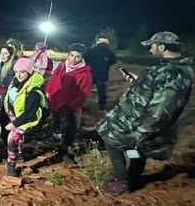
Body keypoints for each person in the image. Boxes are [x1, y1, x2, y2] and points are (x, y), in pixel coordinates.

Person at [97, 31, 193, 195]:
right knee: (137, 151)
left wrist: (141, 132)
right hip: (139, 120)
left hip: (142, 124)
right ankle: (133, 177)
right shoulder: (170, 68)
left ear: (161, 47)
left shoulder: (173, 72)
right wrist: (138, 81)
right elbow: (158, 90)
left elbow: (162, 108)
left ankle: (121, 180)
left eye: (152, 46)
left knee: (111, 139)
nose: (150, 50)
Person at [46, 43, 93, 164]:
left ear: (82, 58)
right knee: (56, 121)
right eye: (71, 55)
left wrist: (71, 106)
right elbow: (53, 80)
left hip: (72, 107)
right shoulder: (62, 66)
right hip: (56, 101)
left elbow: (84, 93)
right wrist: (49, 93)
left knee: (71, 128)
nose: (73, 59)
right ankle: (56, 138)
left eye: (77, 56)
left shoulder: (85, 73)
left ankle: (65, 151)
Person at [3, 58, 47, 177]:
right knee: (19, 137)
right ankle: (19, 155)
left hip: (24, 119)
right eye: (16, 72)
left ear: (29, 72)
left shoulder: (33, 91)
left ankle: (11, 163)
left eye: (22, 72)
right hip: (14, 115)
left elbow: (29, 113)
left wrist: (14, 124)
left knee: (12, 138)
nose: (18, 75)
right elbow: (9, 95)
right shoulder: (16, 81)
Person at [83, 36, 117, 111]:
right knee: (102, 93)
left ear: (98, 42)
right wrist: (106, 66)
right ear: (106, 42)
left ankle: (79, 106)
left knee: (84, 91)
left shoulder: (90, 51)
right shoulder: (109, 52)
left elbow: (84, 59)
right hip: (102, 75)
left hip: (90, 74)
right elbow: (113, 61)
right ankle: (101, 108)